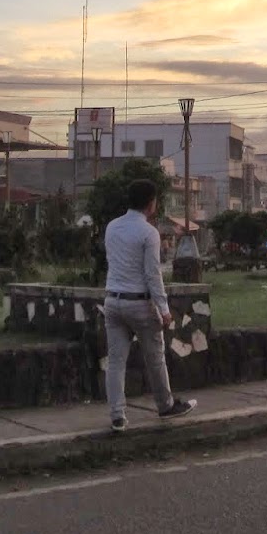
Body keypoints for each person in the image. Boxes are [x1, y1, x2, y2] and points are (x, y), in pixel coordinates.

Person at [103, 179, 196, 433]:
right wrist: (164, 309)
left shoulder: (112, 227)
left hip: (112, 301)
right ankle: (165, 406)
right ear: (151, 203)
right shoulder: (149, 233)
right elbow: (153, 274)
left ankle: (117, 416)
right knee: (155, 358)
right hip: (139, 304)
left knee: (116, 361)